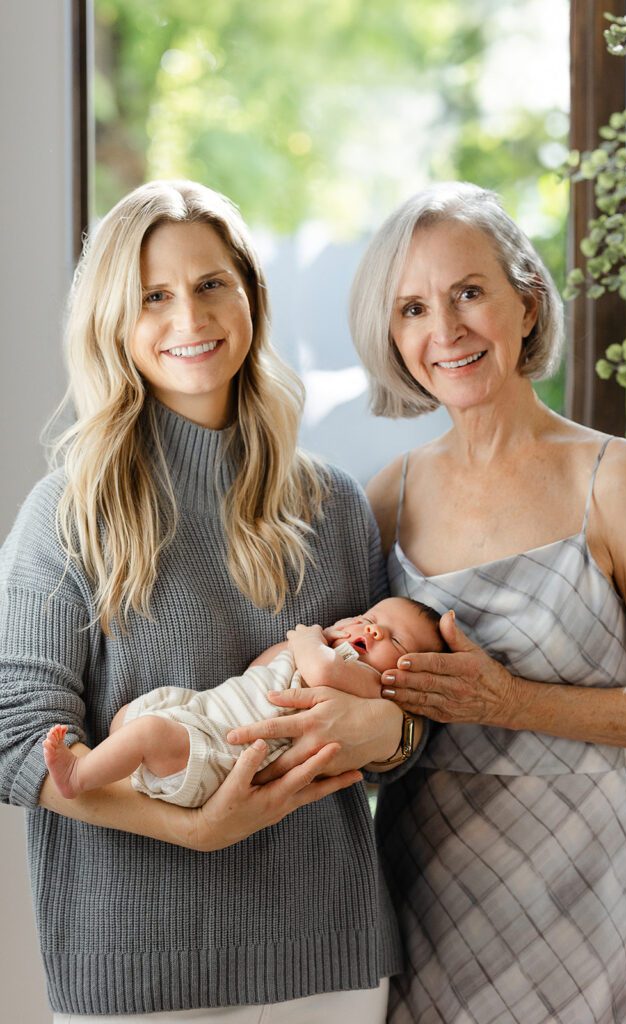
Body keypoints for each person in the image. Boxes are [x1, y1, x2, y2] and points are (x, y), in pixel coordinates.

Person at [0, 180, 412, 1022]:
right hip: (135, 970)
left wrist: (392, 733)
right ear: (114, 321)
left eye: (210, 284)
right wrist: (196, 829)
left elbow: (399, 702)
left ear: (250, 298)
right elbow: (14, 737)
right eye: (154, 295)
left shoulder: (332, 506)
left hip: (324, 958)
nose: (188, 318)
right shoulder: (67, 512)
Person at [345, 181, 626, 1024]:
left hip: (579, 885)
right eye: (412, 309)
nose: (445, 330)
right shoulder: (390, 494)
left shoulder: (615, 477)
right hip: (419, 878)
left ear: (526, 304)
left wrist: (511, 702)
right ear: (393, 338)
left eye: (468, 293)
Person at [43, 597, 442, 808]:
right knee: (130, 718)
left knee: (147, 732)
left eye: (396, 639)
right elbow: (260, 671)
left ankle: (78, 777)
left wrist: (306, 638)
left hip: (224, 752)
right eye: (369, 617)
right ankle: (124, 777)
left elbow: (321, 673)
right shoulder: (324, 653)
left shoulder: (370, 685)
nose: (372, 629)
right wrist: (292, 648)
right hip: (205, 712)